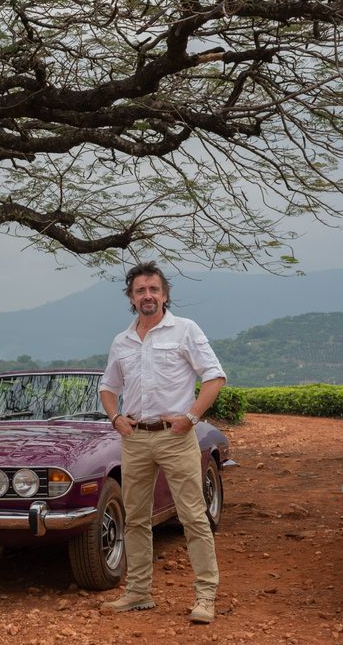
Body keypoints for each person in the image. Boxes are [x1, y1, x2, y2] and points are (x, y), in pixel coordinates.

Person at [98, 262, 226, 625]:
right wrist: (115, 418)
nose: (148, 296)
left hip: (176, 437)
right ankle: (139, 592)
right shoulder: (121, 341)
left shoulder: (185, 330)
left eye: (154, 289)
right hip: (135, 439)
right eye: (140, 291)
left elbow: (215, 377)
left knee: (193, 516)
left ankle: (205, 595)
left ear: (165, 294)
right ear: (131, 298)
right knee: (136, 518)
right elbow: (108, 387)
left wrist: (192, 417)